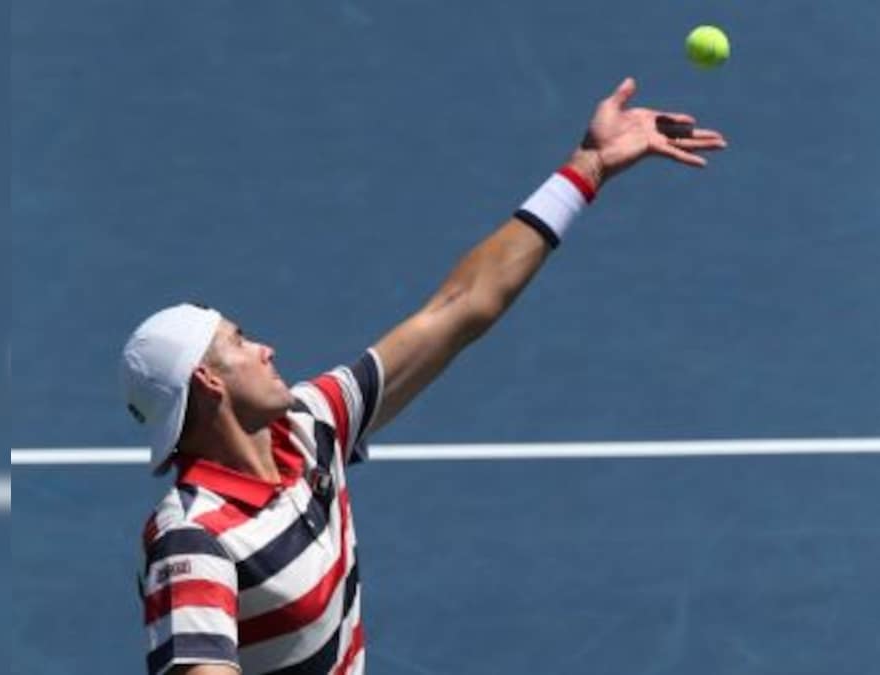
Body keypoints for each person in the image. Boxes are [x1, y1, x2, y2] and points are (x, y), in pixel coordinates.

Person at [120, 77, 726, 675]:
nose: (266, 348)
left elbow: (460, 307)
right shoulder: (193, 541)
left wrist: (588, 167)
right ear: (209, 382)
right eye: (240, 341)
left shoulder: (311, 428)